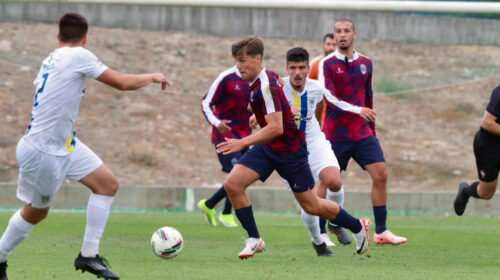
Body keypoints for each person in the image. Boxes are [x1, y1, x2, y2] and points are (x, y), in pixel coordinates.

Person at [0, 13, 169, 280]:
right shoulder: (79, 56)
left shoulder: (52, 57)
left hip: (65, 144)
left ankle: (89, 255)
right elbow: (122, 83)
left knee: (107, 184)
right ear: (85, 37)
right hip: (45, 151)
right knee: (36, 213)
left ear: (58, 36)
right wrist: (153, 76)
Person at [216, 36, 371, 259]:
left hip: (290, 152)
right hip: (269, 148)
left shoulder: (265, 86)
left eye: (242, 60)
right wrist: (266, 114)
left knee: (312, 206)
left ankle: (357, 226)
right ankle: (254, 239)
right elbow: (279, 91)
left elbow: (277, 127)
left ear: (257, 58)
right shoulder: (268, 78)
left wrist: (242, 142)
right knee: (233, 185)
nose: (238, 66)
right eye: (236, 61)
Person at [279, 47, 377, 256]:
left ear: (308, 69)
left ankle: (335, 222)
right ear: (287, 69)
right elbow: (259, 108)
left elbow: (319, 109)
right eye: (293, 68)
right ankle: (318, 241)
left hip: (314, 141)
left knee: (334, 180)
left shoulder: (316, 88)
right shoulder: (278, 87)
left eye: (302, 67)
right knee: (309, 204)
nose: (297, 72)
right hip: (289, 150)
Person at [318, 18, 407, 245]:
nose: (342, 35)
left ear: (354, 34)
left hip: (362, 133)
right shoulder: (326, 64)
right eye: (338, 31)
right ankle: (320, 232)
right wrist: (358, 110)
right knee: (328, 182)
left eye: (347, 31)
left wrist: (372, 129)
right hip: (336, 133)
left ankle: (381, 232)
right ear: (334, 36)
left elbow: (369, 99)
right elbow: (329, 97)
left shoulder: (366, 62)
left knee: (381, 175)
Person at [198, 66, 251, 228]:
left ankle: (209, 204)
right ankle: (226, 213)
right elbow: (206, 103)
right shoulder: (226, 78)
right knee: (236, 174)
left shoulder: (257, 78)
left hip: (245, 138)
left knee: (241, 177)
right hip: (225, 136)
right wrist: (216, 123)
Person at [454, 85, 500, 215]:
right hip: (489, 146)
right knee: (486, 193)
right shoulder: (499, 93)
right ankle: (466, 191)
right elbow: (487, 123)